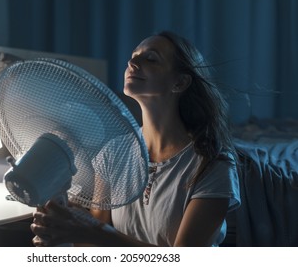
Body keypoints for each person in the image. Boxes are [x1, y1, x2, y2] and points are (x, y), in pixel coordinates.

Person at [30, 30, 241, 247]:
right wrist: (63, 231)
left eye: (150, 59)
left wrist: (89, 232)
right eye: (133, 55)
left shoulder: (211, 164)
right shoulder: (113, 153)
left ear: (179, 83)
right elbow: (94, 246)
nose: (132, 62)